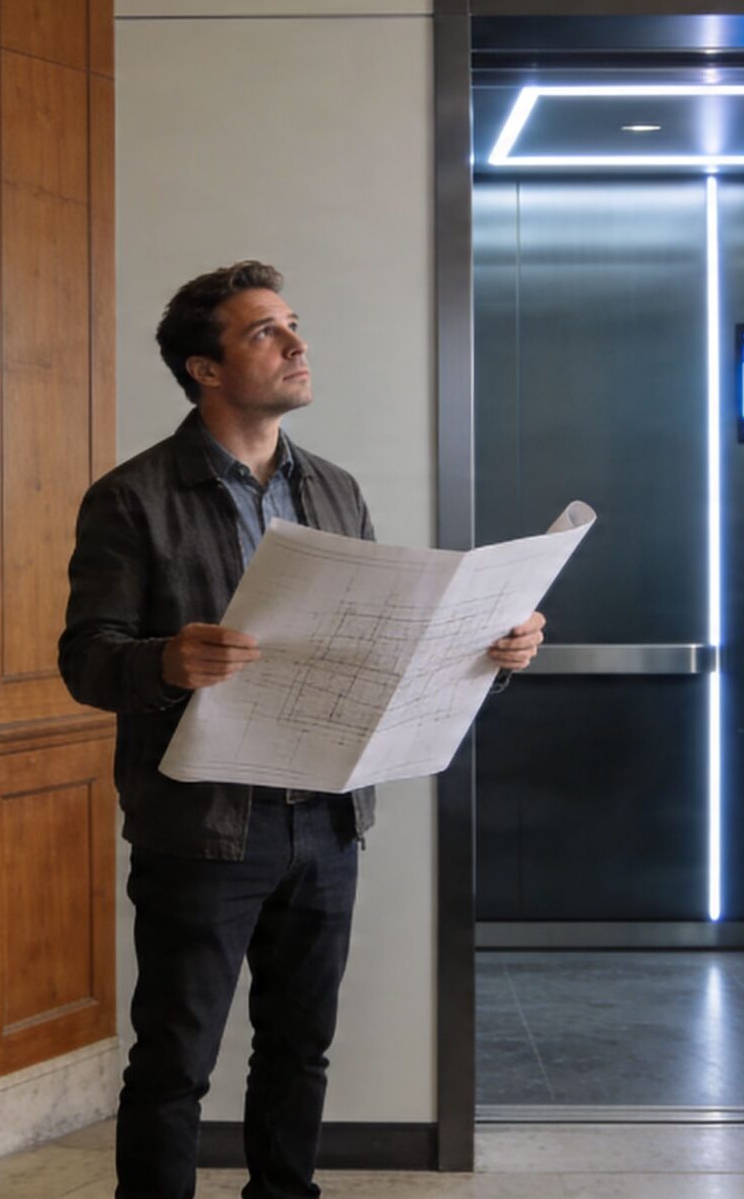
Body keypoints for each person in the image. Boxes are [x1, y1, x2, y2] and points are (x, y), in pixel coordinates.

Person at [60, 260, 546, 1199]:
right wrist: (166, 662)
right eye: (264, 333)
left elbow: (379, 650)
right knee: (175, 1062)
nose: (296, 345)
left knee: (300, 1048)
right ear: (205, 369)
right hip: (201, 828)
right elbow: (86, 660)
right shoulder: (132, 497)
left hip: (327, 817)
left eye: (293, 326)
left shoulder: (333, 490)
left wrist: (489, 653)